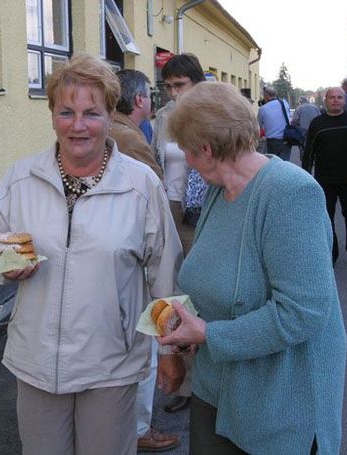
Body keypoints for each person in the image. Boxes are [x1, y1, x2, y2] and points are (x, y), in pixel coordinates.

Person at [0, 54, 183, 455]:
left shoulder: (140, 185)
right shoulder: (20, 180)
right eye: (66, 112)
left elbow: (166, 272)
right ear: (52, 114)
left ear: (110, 115)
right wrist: (4, 264)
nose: (78, 125)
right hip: (37, 360)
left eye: (92, 113)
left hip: (111, 363)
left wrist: (170, 349)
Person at [158, 81, 347, 454]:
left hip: (278, 401)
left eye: (187, 151)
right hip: (216, 388)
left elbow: (302, 312)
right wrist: (179, 343)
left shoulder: (290, 193)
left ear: (208, 150)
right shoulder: (220, 189)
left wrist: (209, 335)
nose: (187, 161)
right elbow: (212, 280)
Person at [110, 68, 180, 452]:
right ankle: (137, 428)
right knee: (145, 346)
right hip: (138, 259)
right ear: (139, 100)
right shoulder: (128, 138)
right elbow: (154, 202)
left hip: (126, 256)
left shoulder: (125, 131)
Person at [151, 53, 208, 415]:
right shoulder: (162, 118)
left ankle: (211, 378)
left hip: (204, 210)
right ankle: (187, 385)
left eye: (180, 85)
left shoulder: (212, 113)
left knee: (204, 290)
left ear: (197, 83)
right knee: (178, 292)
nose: (173, 93)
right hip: (171, 206)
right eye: (168, 86)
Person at [302, 87, 347, 265]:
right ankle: (332, 253)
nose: (336, 100)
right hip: (325, 180)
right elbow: (309, 152)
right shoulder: (317, 123)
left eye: (339, 97)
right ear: (326, 100)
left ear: (344, 100)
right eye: (332, 98)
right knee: (327, 219)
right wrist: (306, 176)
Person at [111, 69, 163, 179]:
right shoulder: (130, 139)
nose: (151, 101)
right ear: (139, 99)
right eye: (149, 96)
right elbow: (155, 184)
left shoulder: (108, 126)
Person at [257, 86, 293, 160]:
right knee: (285, 164)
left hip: (272, 142)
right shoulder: (284, 103)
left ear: (266, 96)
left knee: (274, 164)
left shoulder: (263, 109)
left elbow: (258, 126)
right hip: (287, 139)